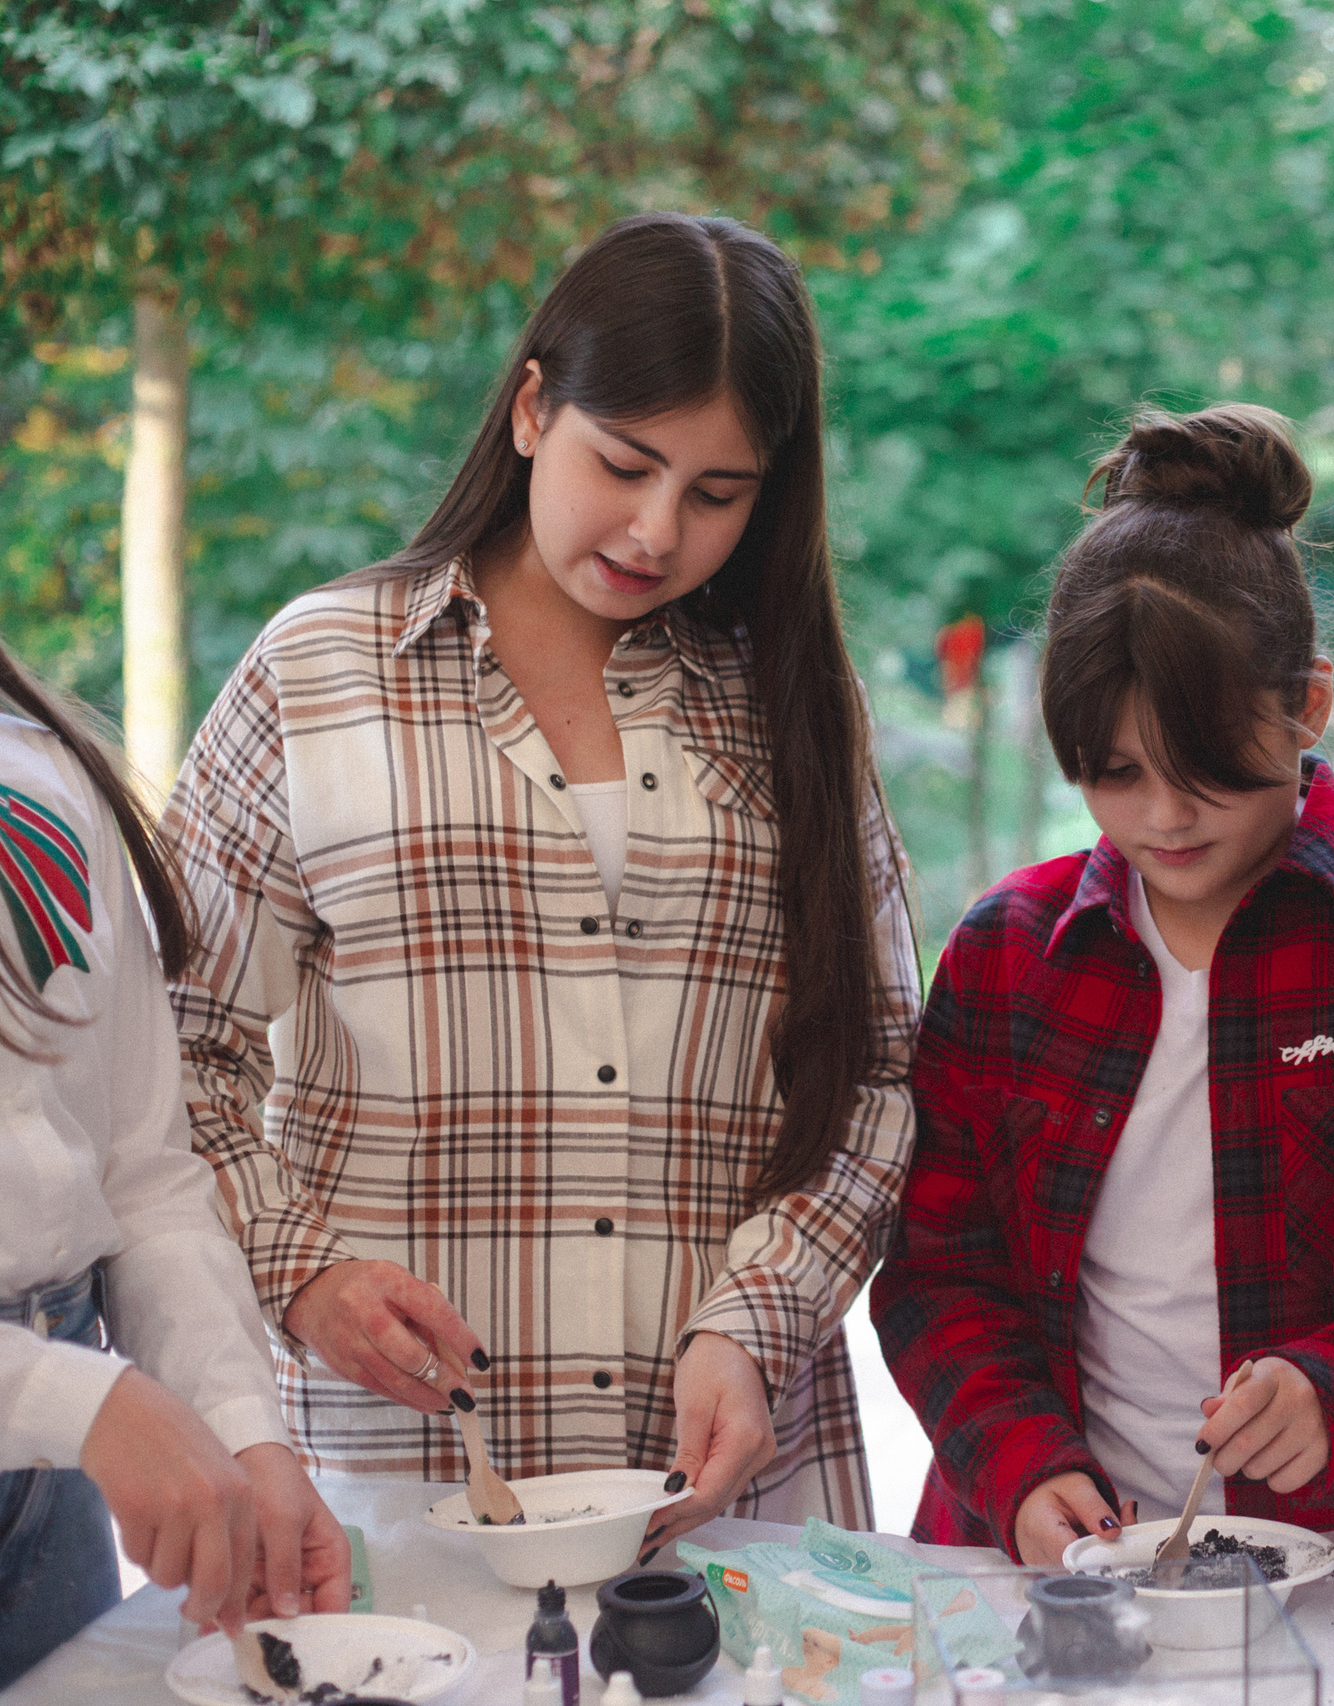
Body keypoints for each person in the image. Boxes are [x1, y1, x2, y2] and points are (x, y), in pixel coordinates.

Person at [164, 213, 920, 1551]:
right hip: (401, 1491)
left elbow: (875, 1073)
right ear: (530, 408)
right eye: (624, 463)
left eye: (717, 492)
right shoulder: (319, 673)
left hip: (722, 1500)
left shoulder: (793, 708)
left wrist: (757, 1319)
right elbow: (172, 1052)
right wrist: (307, 1272)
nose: (655, 527)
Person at [870, 405, 1334, 1565]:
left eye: (1207, 768)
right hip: (1041, 1572)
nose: (1162, 816)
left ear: (1307, 705)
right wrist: (1019, 1459)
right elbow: (937, 1272)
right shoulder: (1005, 953)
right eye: (1112, 773)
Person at [0, 587, 349, 1701]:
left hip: (63, 1469)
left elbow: (143, 1172)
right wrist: (75, 1400)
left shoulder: (26, 767)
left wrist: (242, 1430)